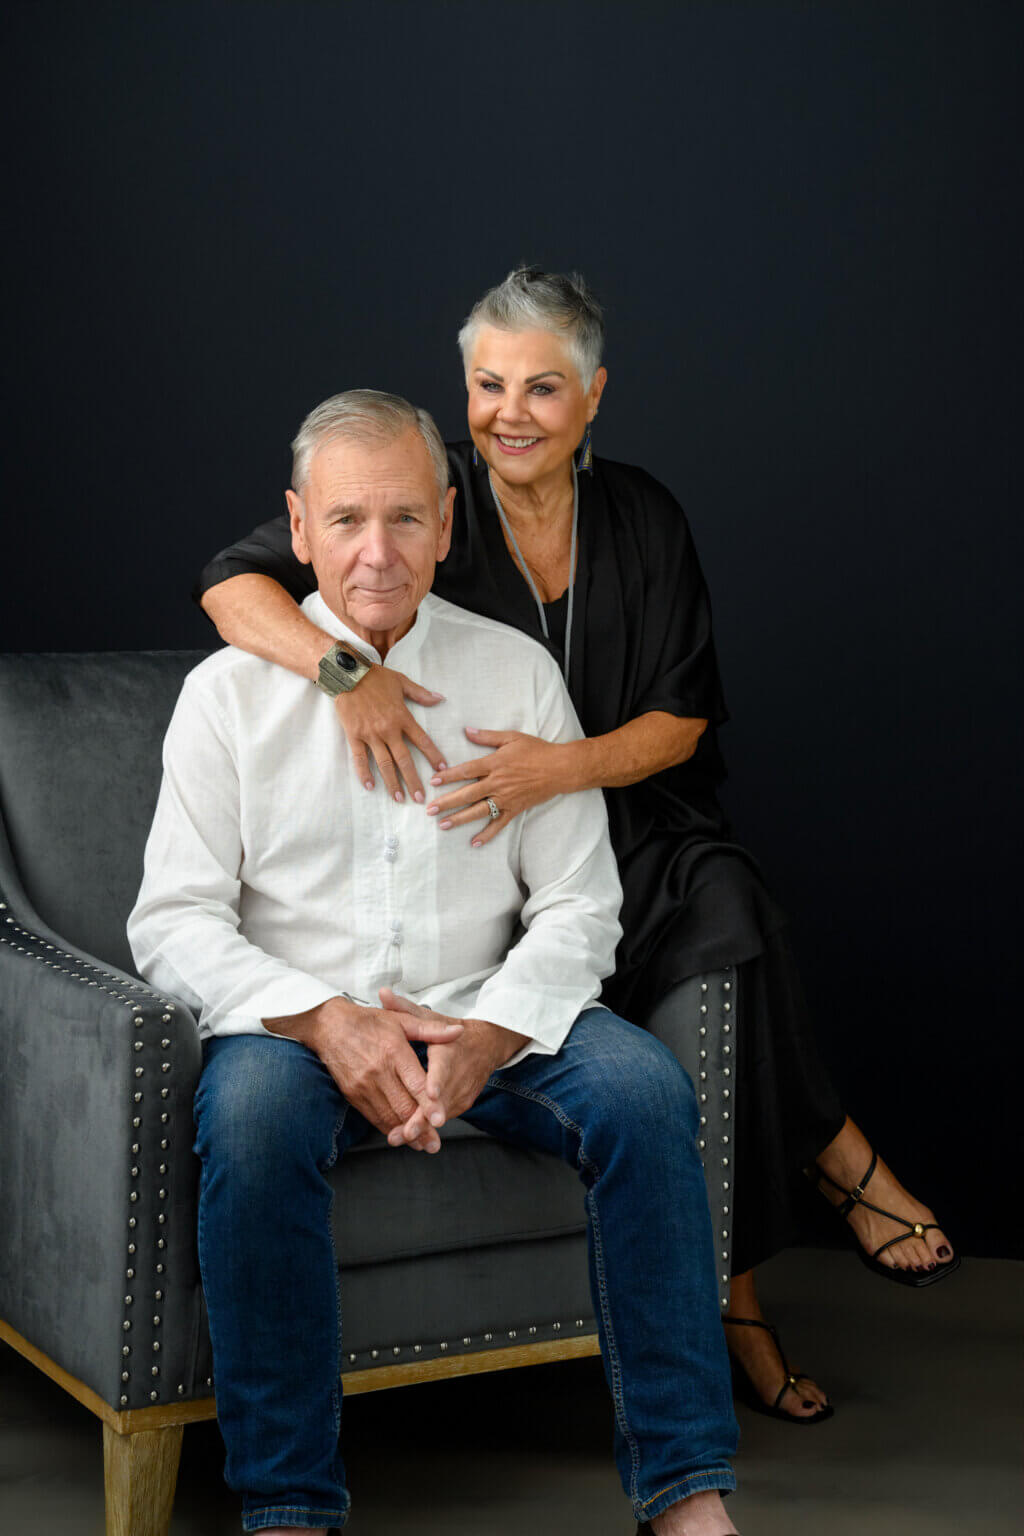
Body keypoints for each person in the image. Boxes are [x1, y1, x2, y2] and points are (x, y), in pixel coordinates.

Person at [194, 269, 958, 1425]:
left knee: (719, 910)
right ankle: (809, 1202)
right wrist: (343, 675)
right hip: (491, 844)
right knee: (710, 928)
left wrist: (559, 765)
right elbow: (236, 584)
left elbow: (683, 718)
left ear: (593, 397)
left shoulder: (643, 515)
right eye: (490, 384)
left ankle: (752, 1277)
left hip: (626, 816)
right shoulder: (417, 490)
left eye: (543, 388)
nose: (511, 413)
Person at [130, 390, 741, 1536]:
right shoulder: (225, 698)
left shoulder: (514, 677)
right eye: (347, 519)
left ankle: (685, 1492)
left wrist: (497, 1032)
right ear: (297, 528)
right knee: (252, 1127)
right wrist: (321, 1017)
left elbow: (576, 901)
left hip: (484, 1010)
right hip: (295, 1027)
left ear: (449, 526)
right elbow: (172, 919)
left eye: (406, 519)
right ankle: (290, 1509)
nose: (377, 551)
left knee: (646, 1094)